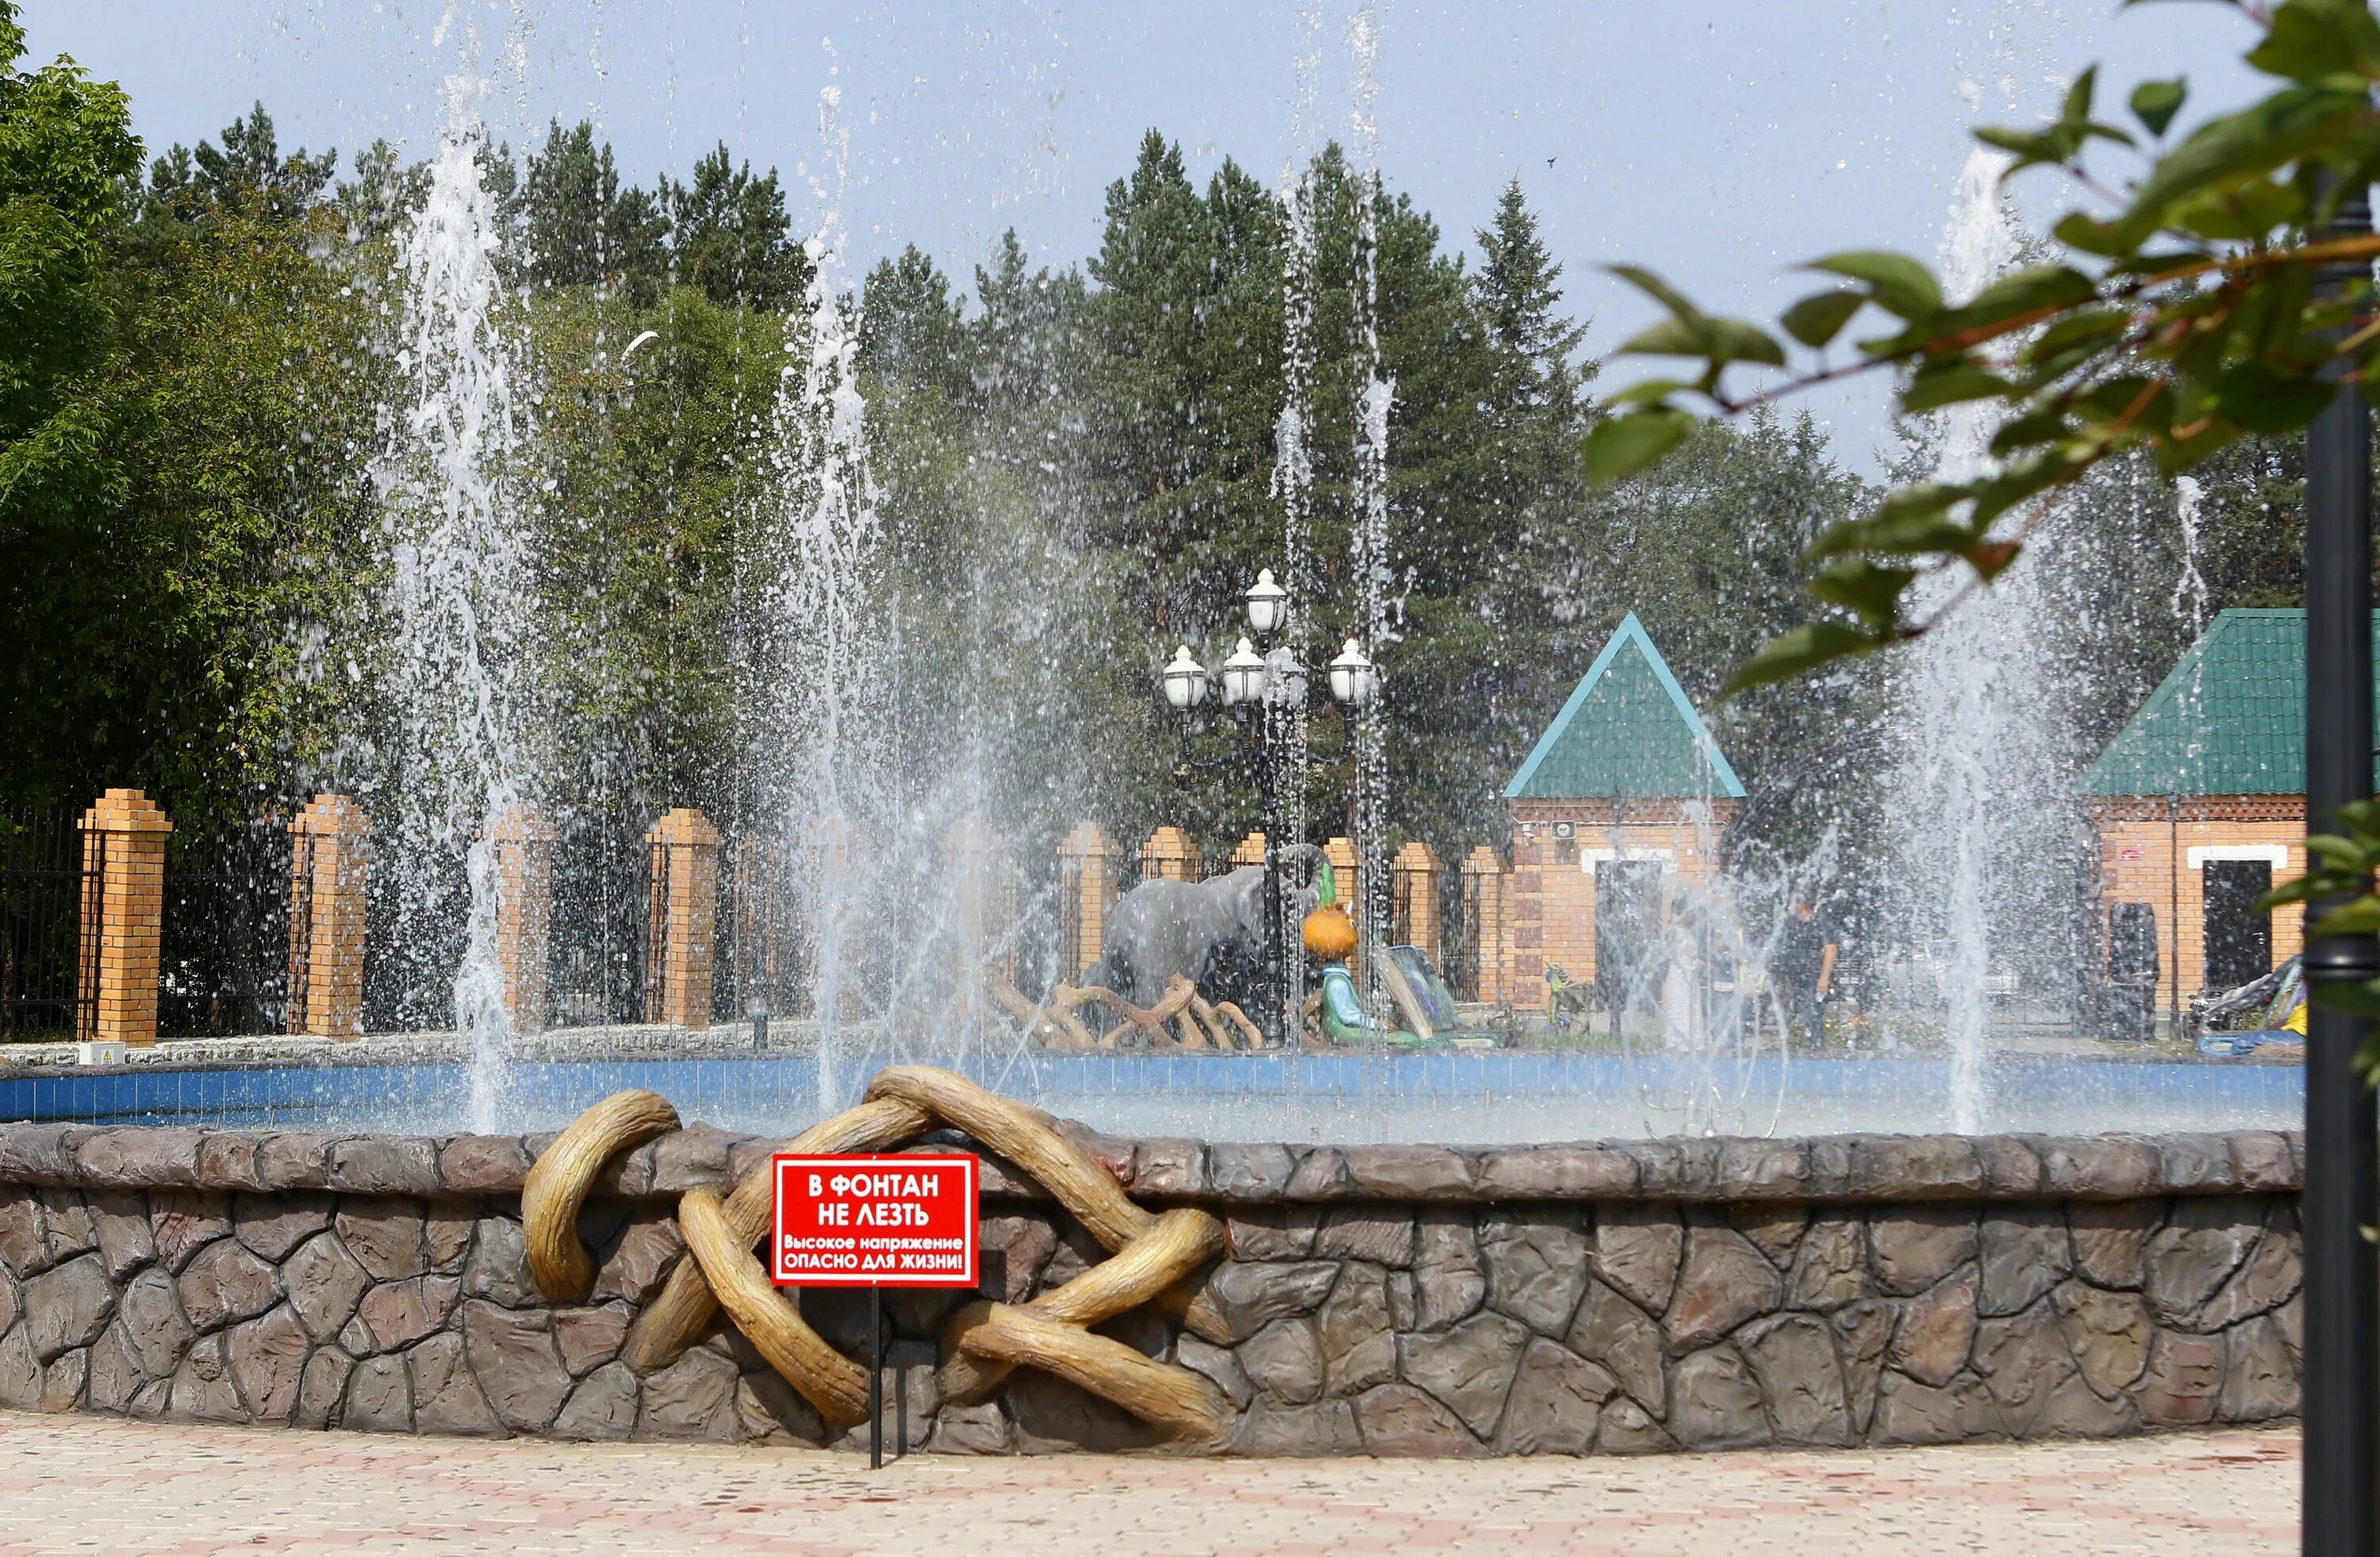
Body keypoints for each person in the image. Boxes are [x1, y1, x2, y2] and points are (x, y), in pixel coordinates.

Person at [1772, 894, 1839, 1051]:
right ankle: (1795, 1049)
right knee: (1794, 1016)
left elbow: (1831, 950)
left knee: (1813, 1017)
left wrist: (1823, 979)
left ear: (1800, 905)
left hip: (1814, 980)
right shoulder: (1793, 925)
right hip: (1795, 979)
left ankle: (1816, 1051)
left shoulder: (1821, 923)